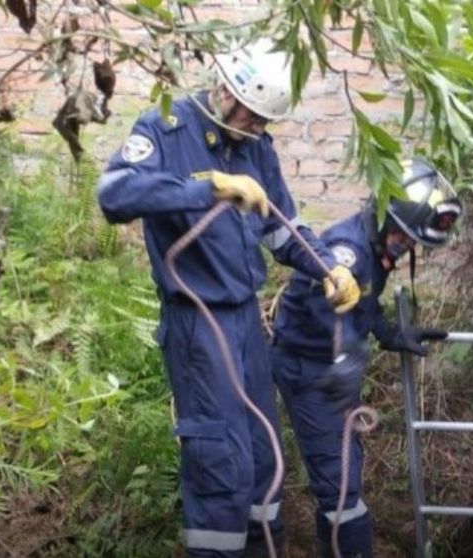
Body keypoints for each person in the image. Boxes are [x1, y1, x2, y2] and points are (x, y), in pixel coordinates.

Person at [96, 39, 360, 557]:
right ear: (226, 92)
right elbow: (115, 195)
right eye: (255, 117)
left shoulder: (255, 148)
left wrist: (327, 267)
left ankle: (264, 548)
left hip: (244, 322)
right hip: (198, 323)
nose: (261, 130)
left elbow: (284, 228)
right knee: (221, 459)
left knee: (262, 456)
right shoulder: (164, 127)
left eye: (266, 122)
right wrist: (208, 187)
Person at [270, 157, 462, 558]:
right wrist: (350, 357)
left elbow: (364, 304)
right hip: (311, 371)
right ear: (386, 218)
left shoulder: (376, 246)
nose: (407, 248)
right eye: (405, 239)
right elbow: (331, 318)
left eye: (412, 244)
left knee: (343, 475)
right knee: (341, 489)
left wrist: (390, 334)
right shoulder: (349, 252)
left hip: (332, 371)